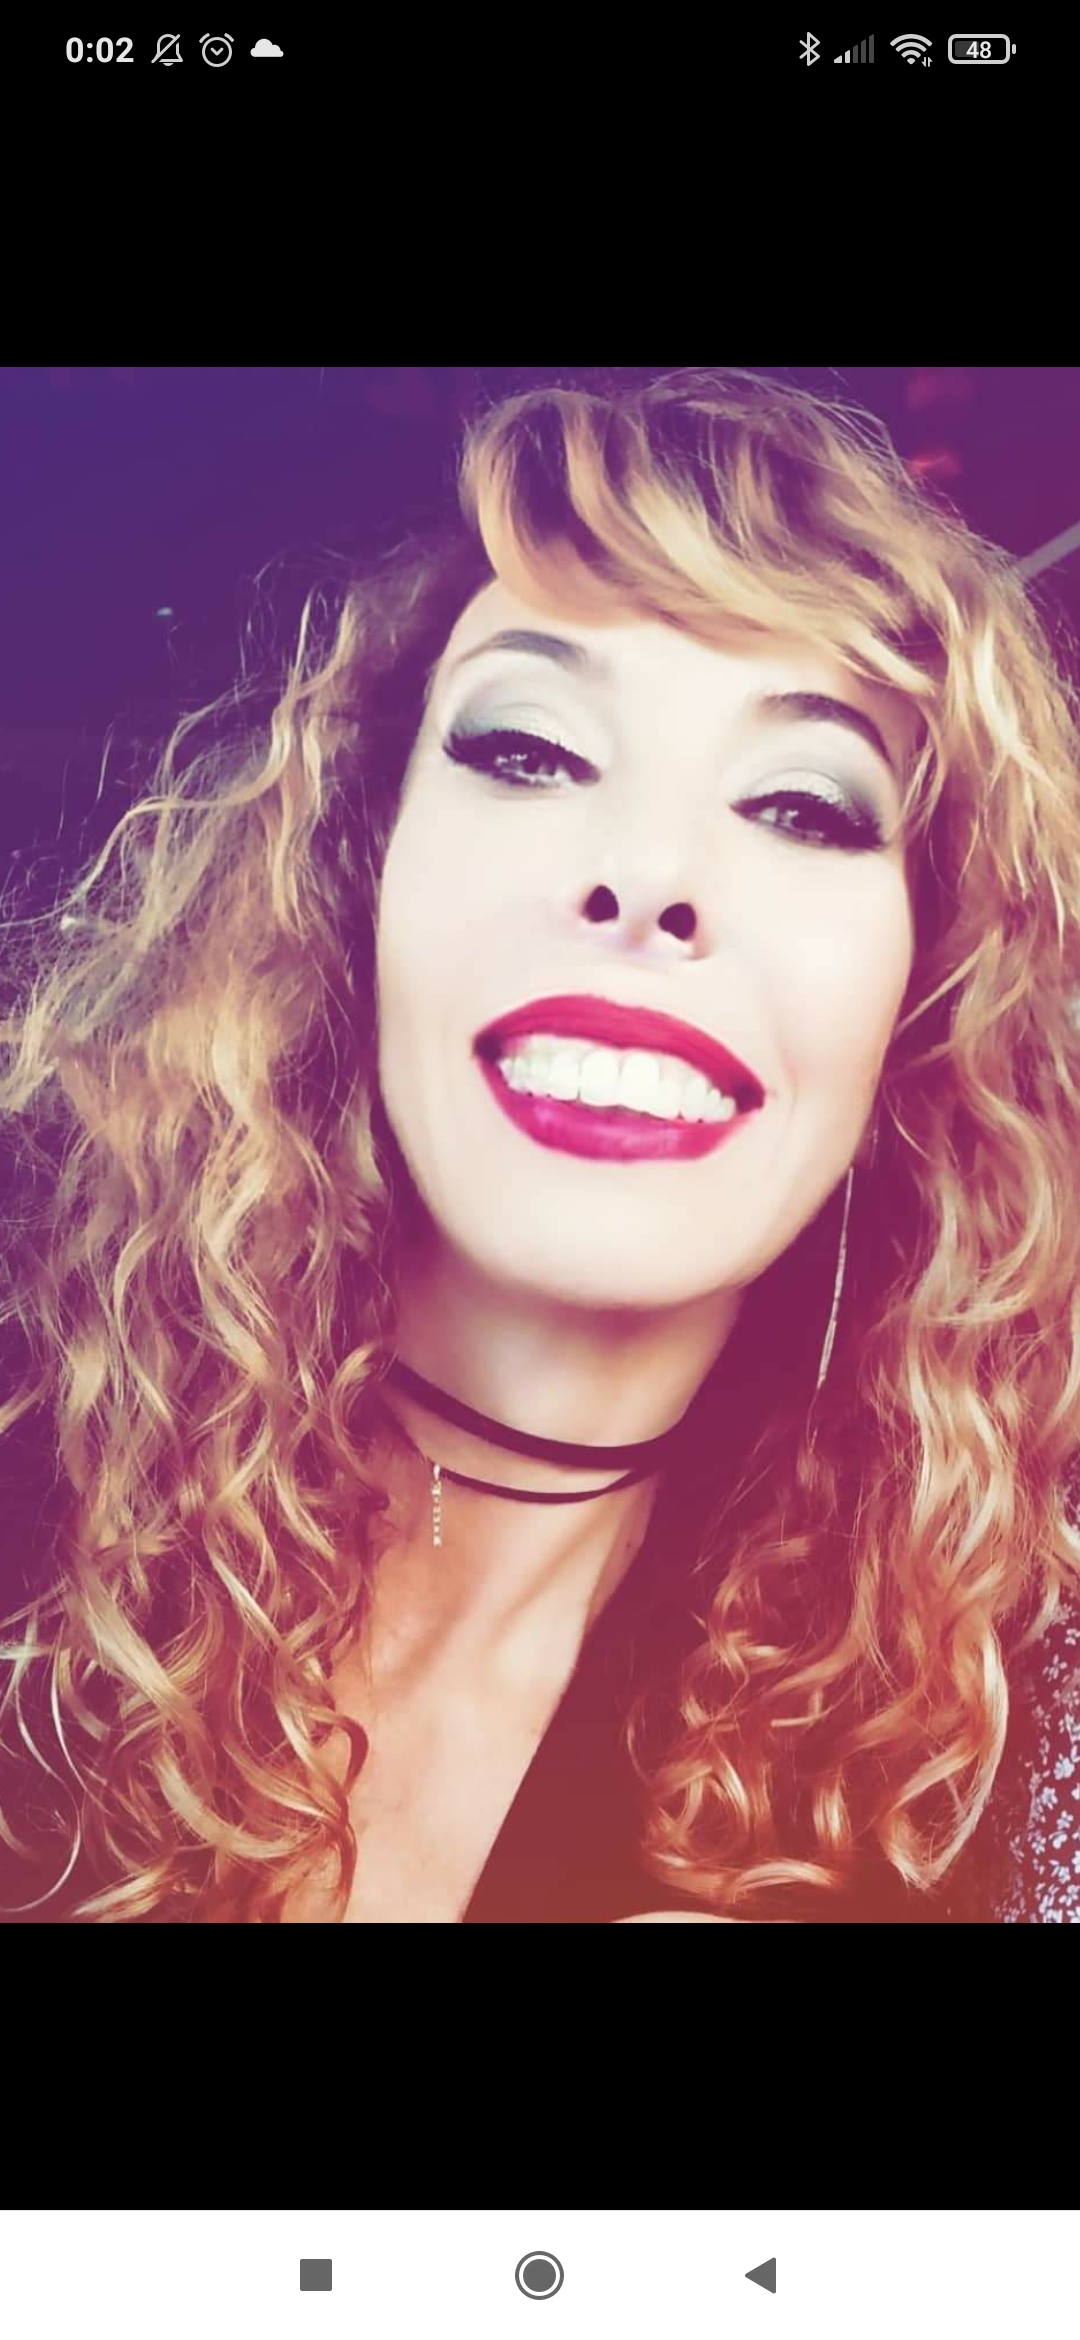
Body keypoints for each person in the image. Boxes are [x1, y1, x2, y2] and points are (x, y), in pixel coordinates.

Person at [2, 365, 1080, 1925]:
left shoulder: (994, 1764)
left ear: (926, 1008)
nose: (648, 873)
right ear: (358, 878)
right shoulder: (33, 1448)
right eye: (529, 750)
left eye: (804, 804)